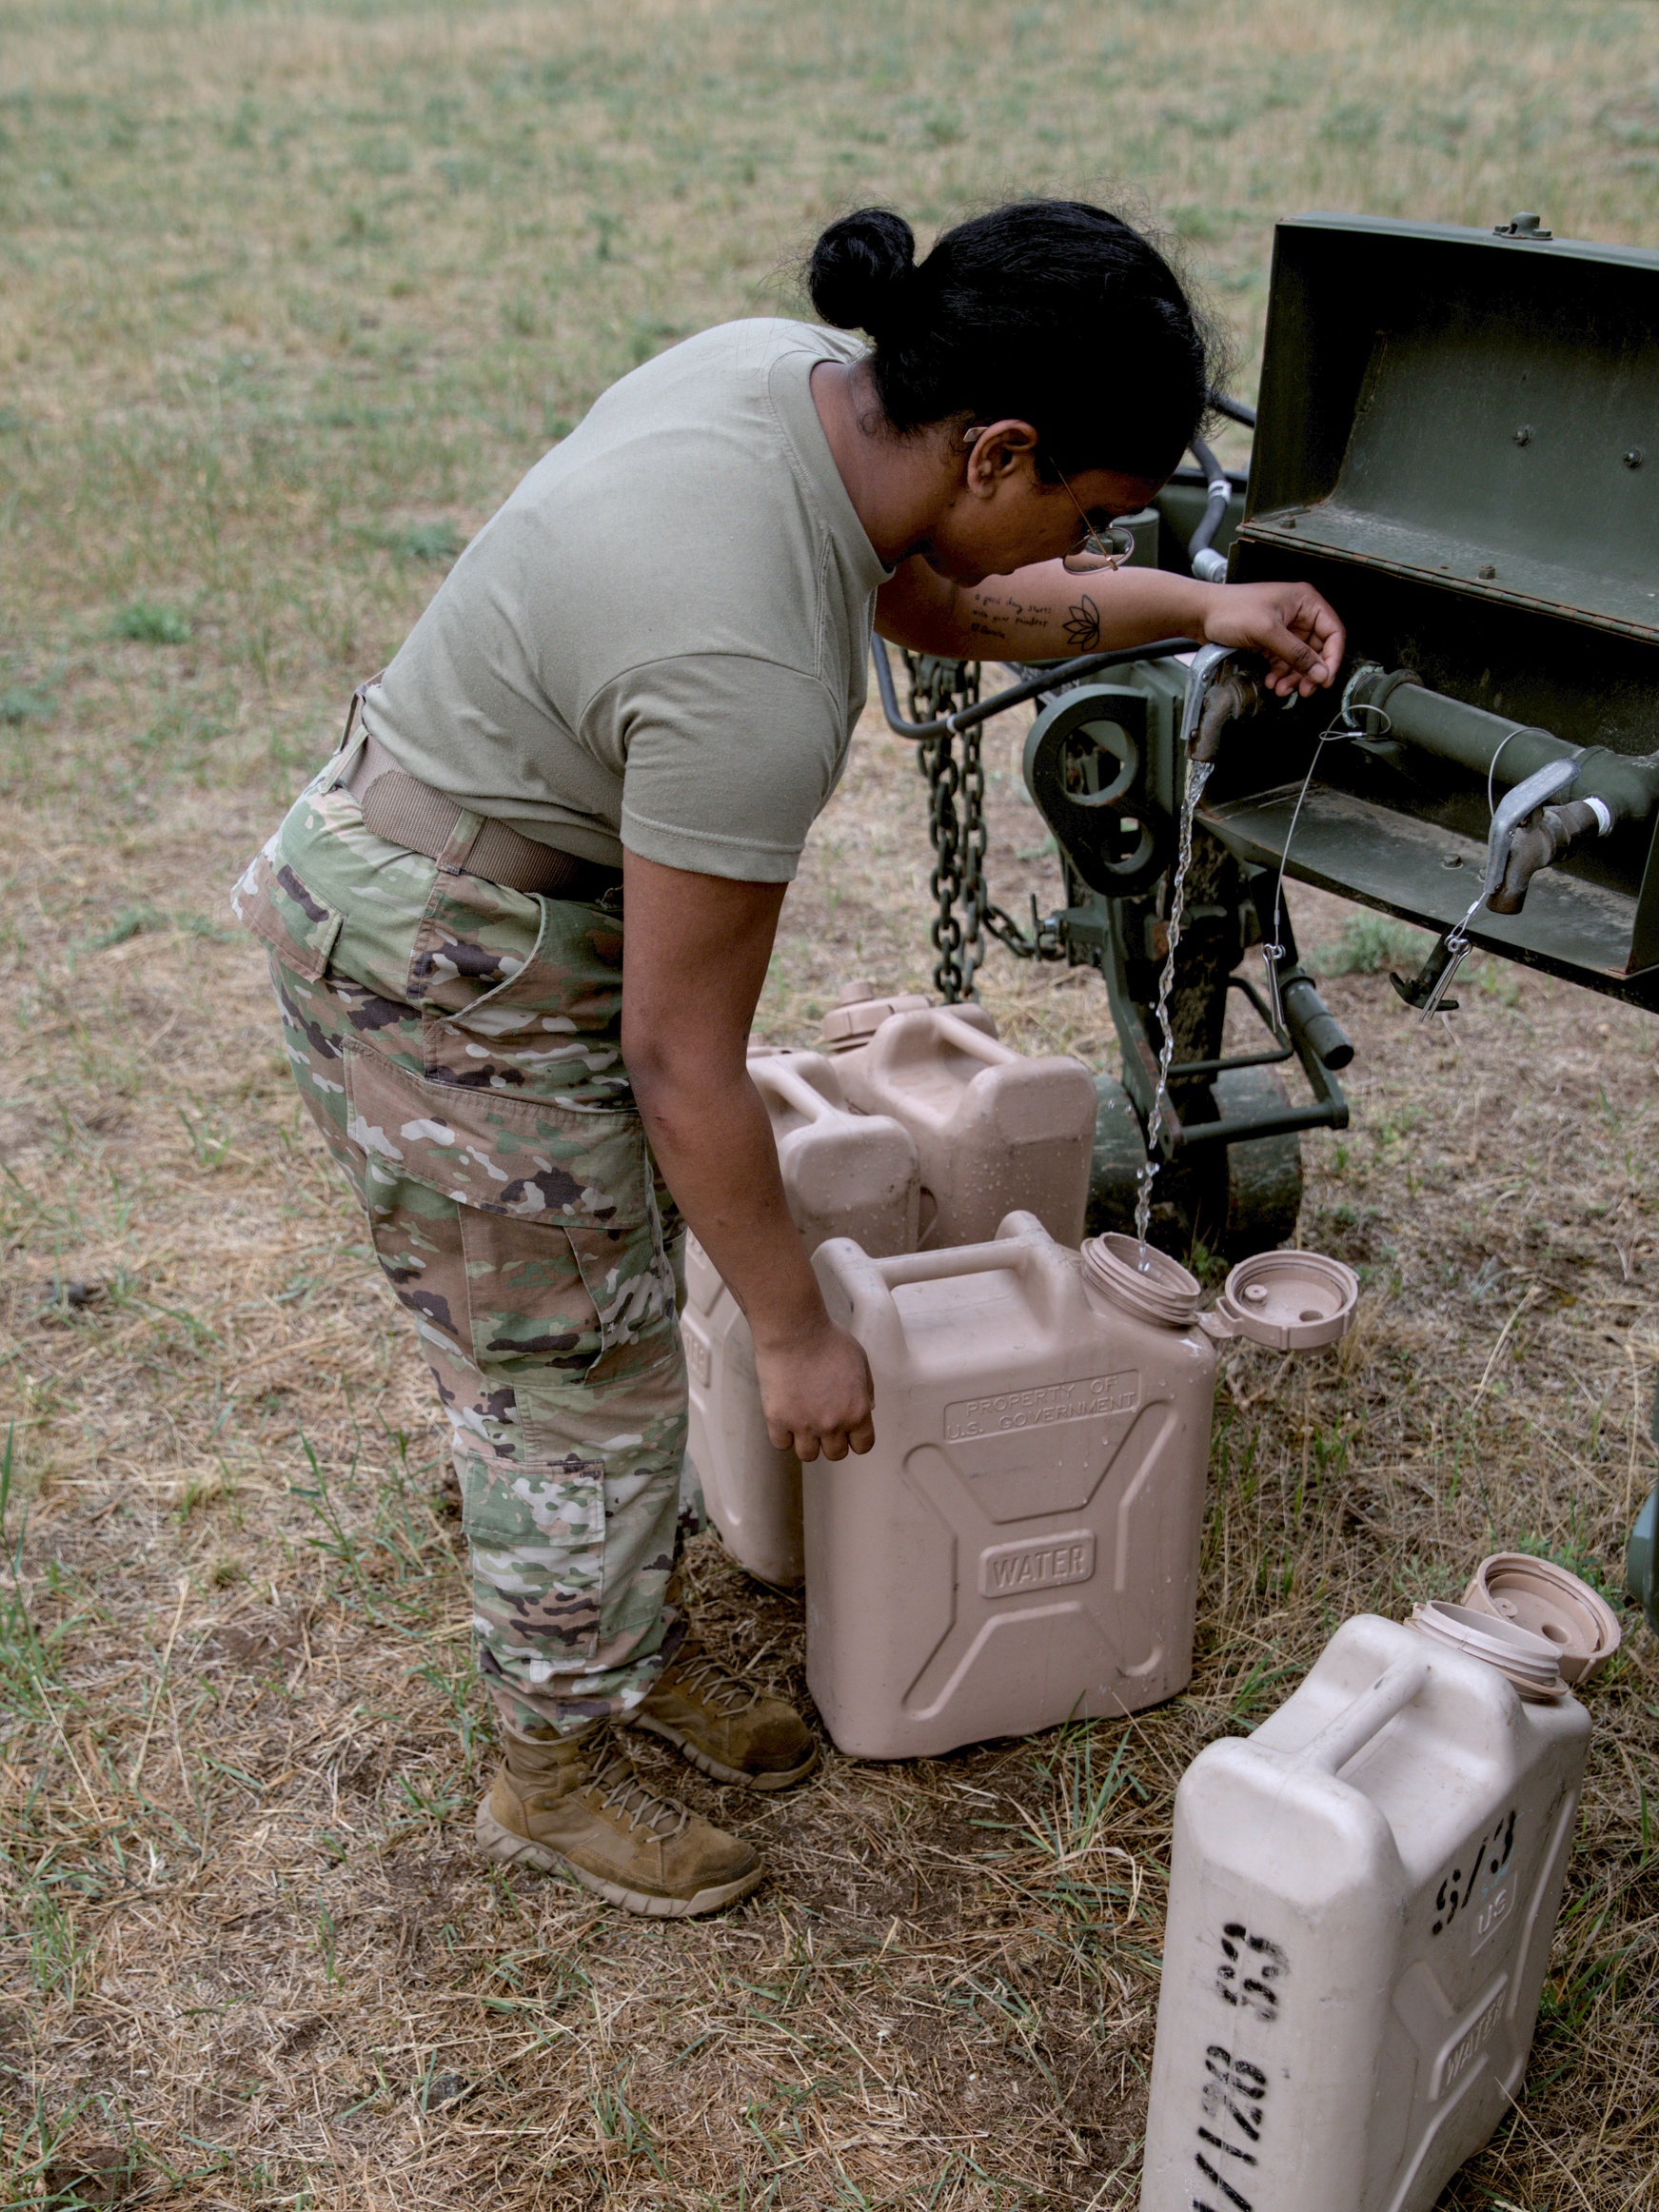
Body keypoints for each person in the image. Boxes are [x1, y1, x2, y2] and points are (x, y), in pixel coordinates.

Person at [231, 200, 1345, 1925]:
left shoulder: (803, 392)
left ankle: (619, 1658)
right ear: (998, 448)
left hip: (468, 881)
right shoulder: (746, 660)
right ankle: (550, 1769)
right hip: (435, 961)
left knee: (609, 1312)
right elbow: (684, 1064)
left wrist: (1206, 606)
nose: (1089, 535)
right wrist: (798, 1330)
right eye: (1090, 509)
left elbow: (950, 600)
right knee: (569, 1391)